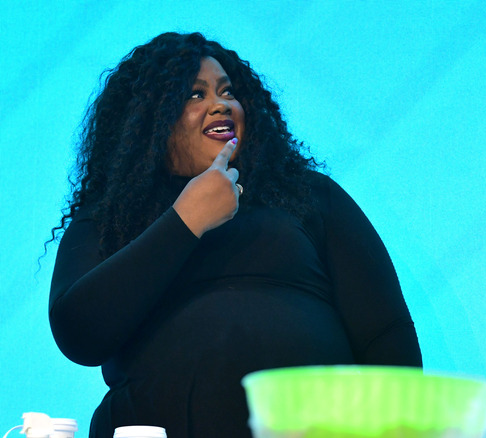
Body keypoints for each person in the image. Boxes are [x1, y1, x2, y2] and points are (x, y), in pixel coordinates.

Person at [48, 32, 422, 438]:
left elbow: (386, 334)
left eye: (228, 91)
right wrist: (185, 221)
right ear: (148, 119)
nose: (220, 104)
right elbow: (79, 333)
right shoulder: (109, 218)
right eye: (194, 95)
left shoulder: (306, 195)